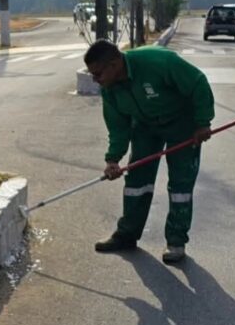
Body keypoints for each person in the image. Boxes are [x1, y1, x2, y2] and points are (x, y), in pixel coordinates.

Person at [84, 40, 215, 264]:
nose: (95, 80)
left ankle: (176, 242)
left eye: (98, 74)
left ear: (115, 64)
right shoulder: (110, 90)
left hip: (182, 124)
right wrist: (113, 159)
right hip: (145, 126)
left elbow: (197, 83)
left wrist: (203, 123)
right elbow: (118, 126)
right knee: (137, 181)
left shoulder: (158, 62)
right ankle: (127, 234)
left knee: (180, 185)